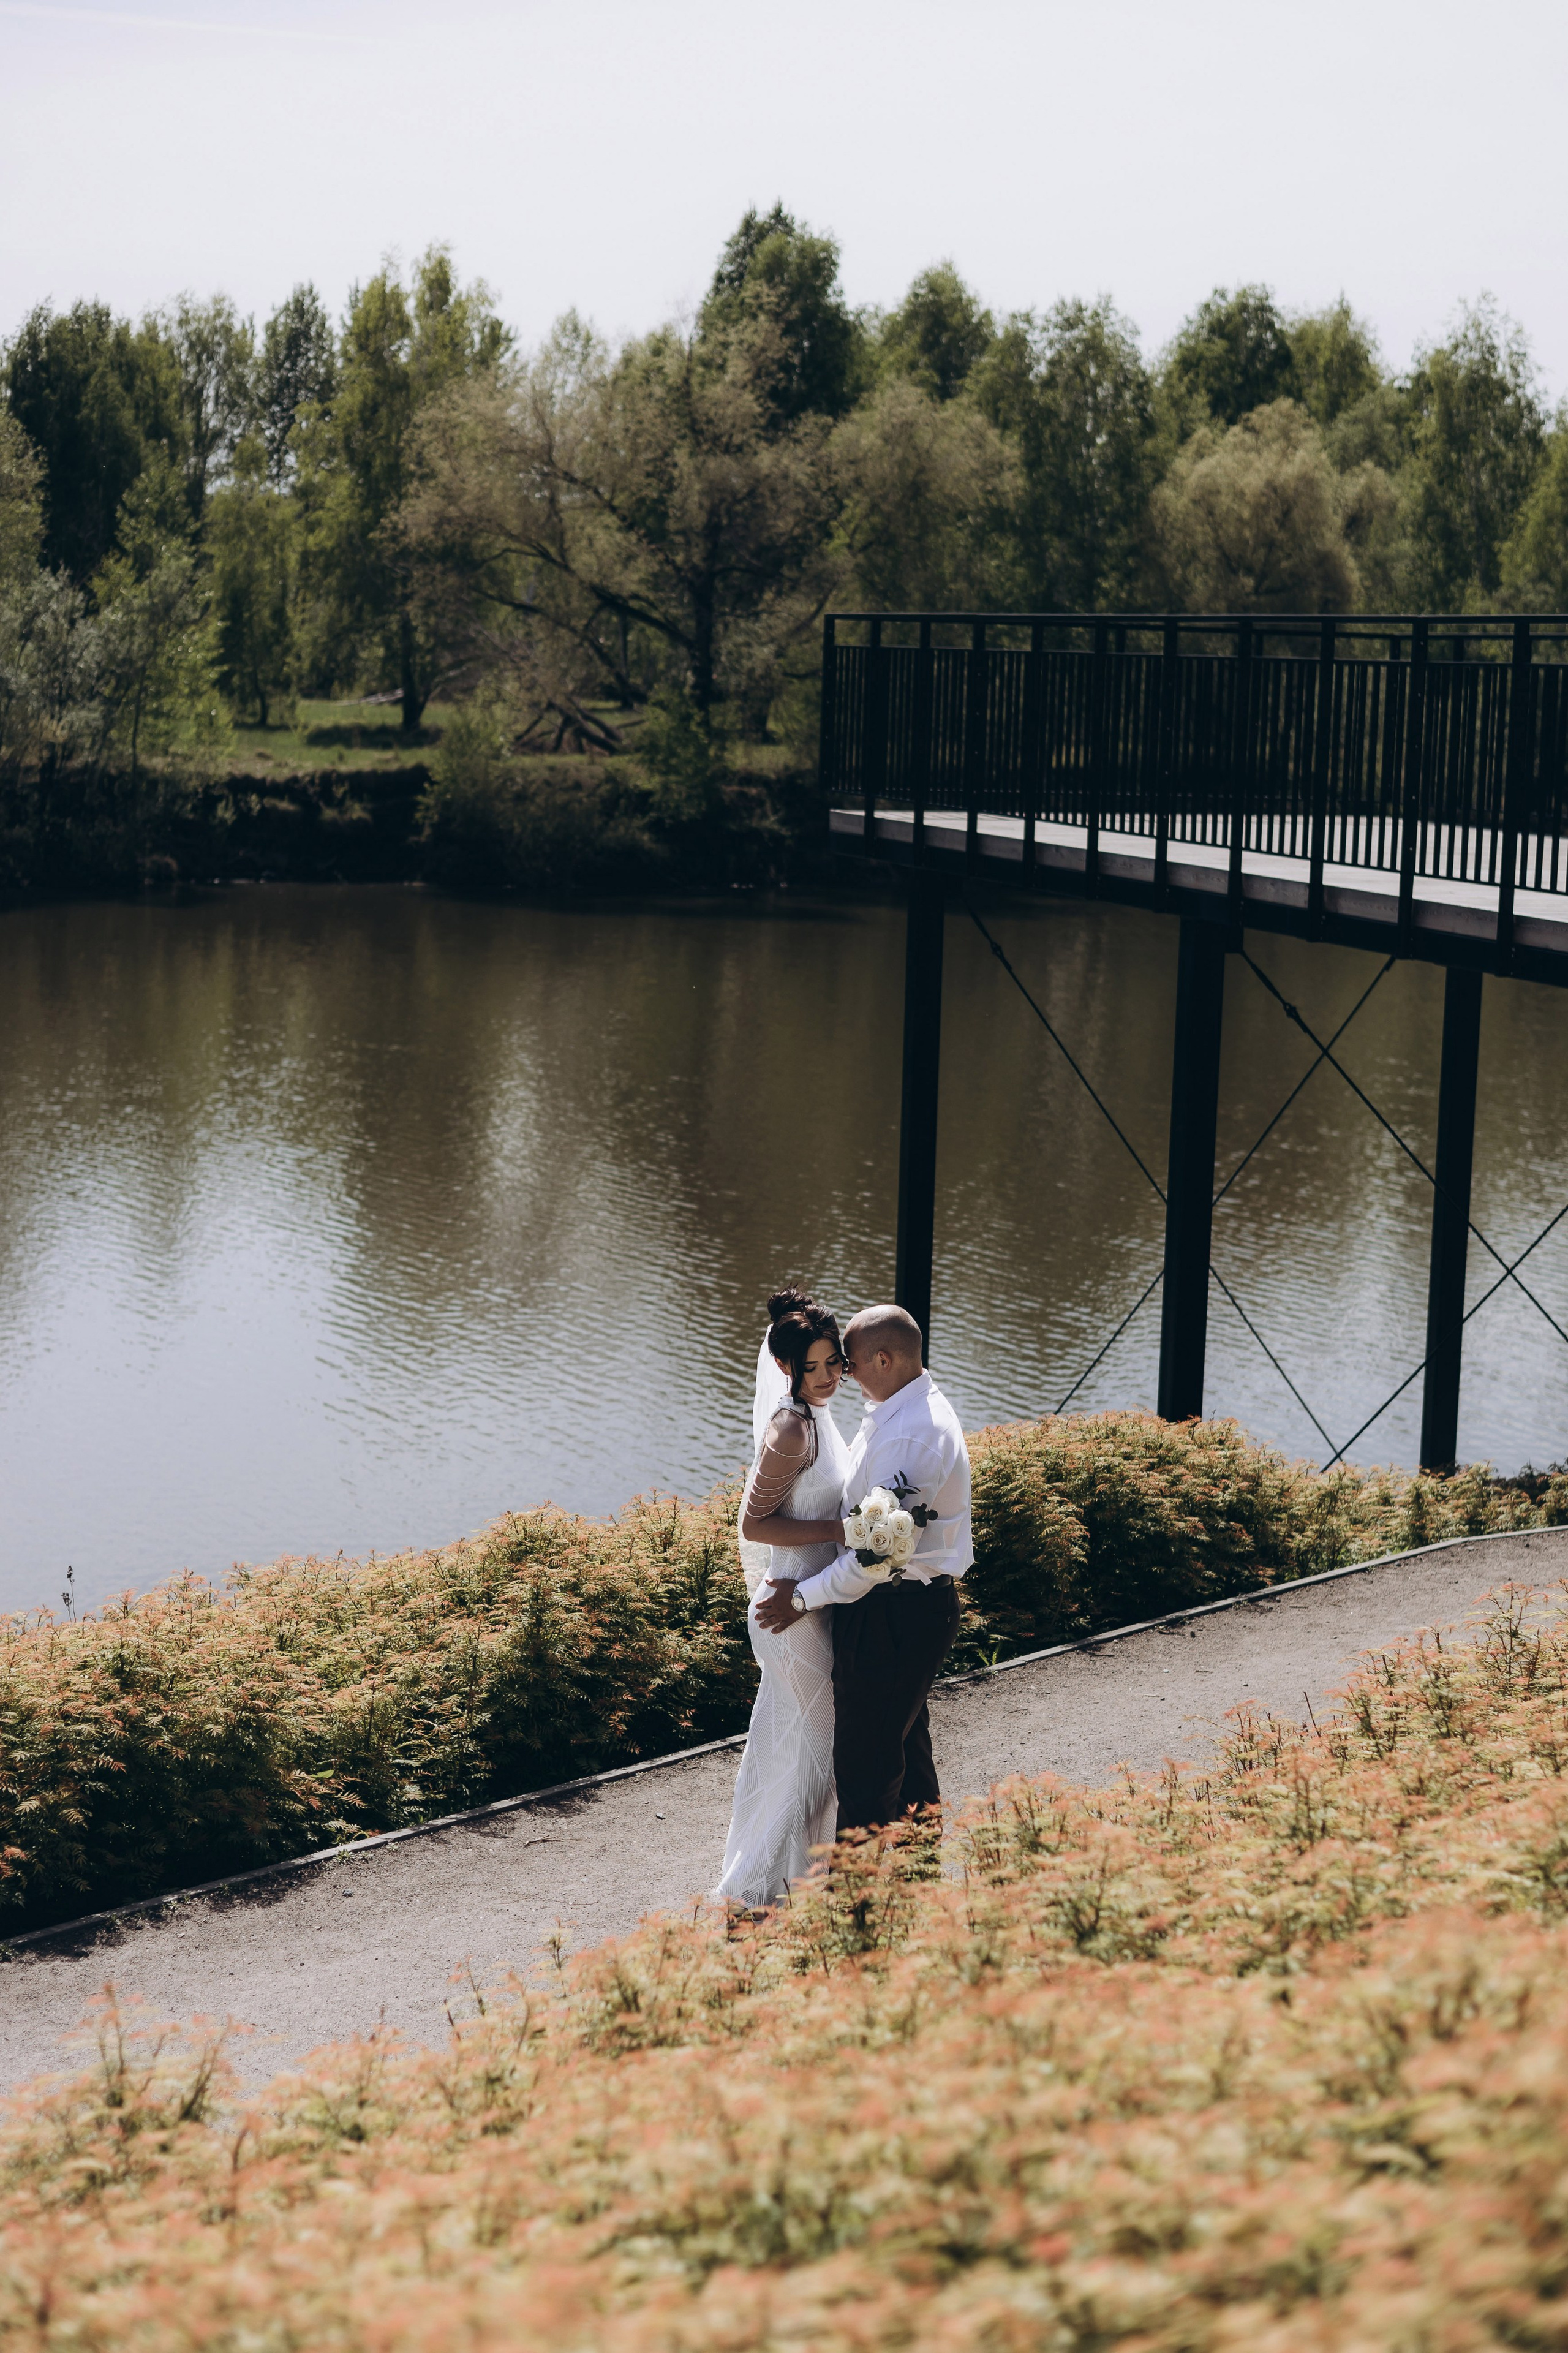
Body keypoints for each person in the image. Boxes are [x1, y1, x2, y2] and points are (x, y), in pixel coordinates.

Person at [754, 1304, 971, 1836]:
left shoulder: (911, 1435)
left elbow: (878, 1557)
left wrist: (802, 1597)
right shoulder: (897, 1412)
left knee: (863, 1772)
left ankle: (860, 1911)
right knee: (905, 1758)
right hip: (895, 1613)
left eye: (847, 1362)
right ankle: (915, 1884)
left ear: (882, 1357)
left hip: (896, 1617)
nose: (841, 1374)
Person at [714, 1288, 851, 1909]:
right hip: (788, 1607)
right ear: (784, 1369)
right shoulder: (792, 1430)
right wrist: (843, 1531)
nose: (825, 1378)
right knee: (820, 1746)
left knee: (795, 1743)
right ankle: (779, 1882)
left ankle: (791, 1875)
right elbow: (754, 1523)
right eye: (811, 1367)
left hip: (815, 1601)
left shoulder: (821, 1417)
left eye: (833, 1363)